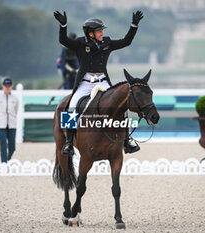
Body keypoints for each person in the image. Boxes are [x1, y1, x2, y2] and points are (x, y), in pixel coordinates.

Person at [54, 10, 144, 156]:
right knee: (72, 106)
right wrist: (63, 25)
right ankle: (69, 143)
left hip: (103, 82)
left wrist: (134, 25)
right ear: (90, 33)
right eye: (99, 30)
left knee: (122, 106)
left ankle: (127, 140)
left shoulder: (107, 42)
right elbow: (63, 41)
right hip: (85, 82)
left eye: (102, 30)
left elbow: (126, 41)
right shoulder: (80, 43)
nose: (102, 32)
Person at [0, 78, 19, 163]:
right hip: (1, 124)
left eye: (9, 86)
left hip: (12, 124)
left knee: (12, 147)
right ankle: (3, 163)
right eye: (5, 86)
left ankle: (8, 159)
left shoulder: (15, 98)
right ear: (3, 86)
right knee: (3, 144)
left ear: (11, 86)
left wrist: (13, 118)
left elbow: (16, 110)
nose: (7, 87)